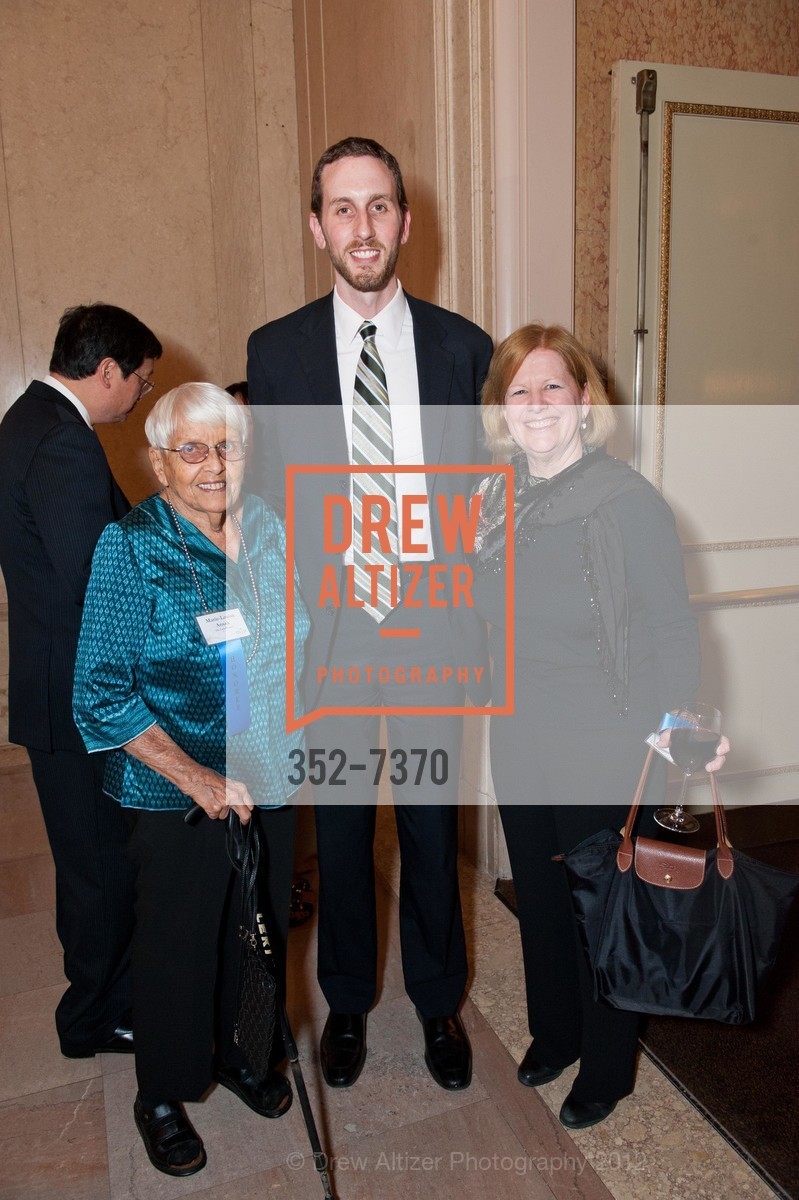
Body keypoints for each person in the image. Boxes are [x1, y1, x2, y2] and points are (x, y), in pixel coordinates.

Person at [247, 136, 492, 1091]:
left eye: (380, 205)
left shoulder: (461, 345)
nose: (363, 226)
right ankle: (347, 998)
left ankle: (438, 1004)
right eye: (343, 208)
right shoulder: (276, 351)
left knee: (432, 827)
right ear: (317, 227)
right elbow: (264, 505)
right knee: (341, 827)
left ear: (404, 218)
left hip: (432, 626)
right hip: (333, 635)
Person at [472, 324, 729, 1129]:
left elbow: (671, 630)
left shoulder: (627, 502)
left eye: (554, 386)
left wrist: (673, 737)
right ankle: (556, 1032)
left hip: (603, 734)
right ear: (500, 410)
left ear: (584, 402)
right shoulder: (493, 497)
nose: (537, 403)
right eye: (520, 390)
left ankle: (610, 1064)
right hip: (517, 729)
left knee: (605, 909)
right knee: (541, 893)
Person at [73, 384, 309, 1177]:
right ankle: (164, 1093)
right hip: (176, 792)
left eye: (228, 446)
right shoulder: (131, 546)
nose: (214, 465)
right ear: (158, 461)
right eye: (193, 449)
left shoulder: (272, 528)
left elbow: (294, 641)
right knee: (179, 943)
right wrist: (195, 776)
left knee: (259, 931)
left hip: (269, 774)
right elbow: (99, 692)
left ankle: (245, 1055)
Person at [0, 303, 161, 1058]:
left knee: (89, 864)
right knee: (102, 870)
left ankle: (101, 1003)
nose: (140, 396)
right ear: (106, 372)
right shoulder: (64, 442)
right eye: (141, 381)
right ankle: (98, 1016)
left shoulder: (27, 422)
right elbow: (95, 582)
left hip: (53, 688)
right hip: (80, 702)